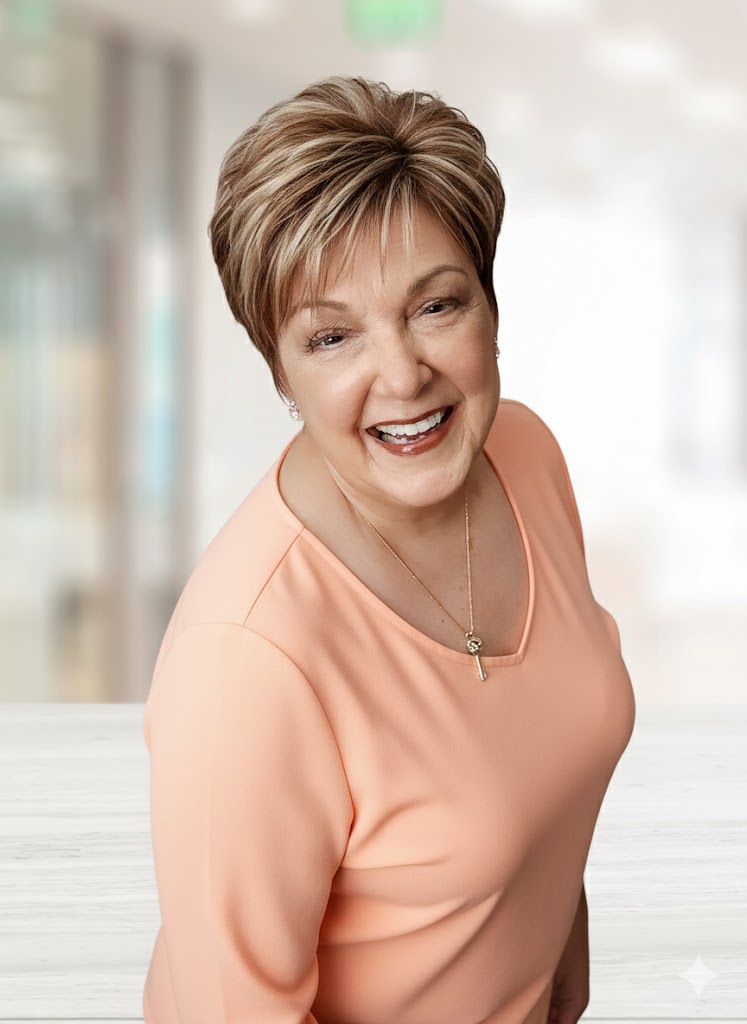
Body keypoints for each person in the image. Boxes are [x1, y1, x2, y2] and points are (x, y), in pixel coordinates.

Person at [141, 75, 636, 1024]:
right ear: (279, 371)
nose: (402, 377)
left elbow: (542, 759)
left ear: (490, 306)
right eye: (332, 337)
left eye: (435, 307)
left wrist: (559, 965)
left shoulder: (525, 455)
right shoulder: (244, 661)